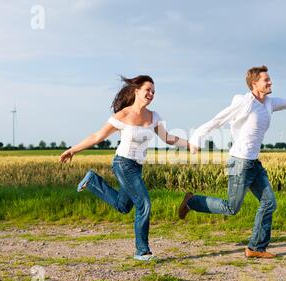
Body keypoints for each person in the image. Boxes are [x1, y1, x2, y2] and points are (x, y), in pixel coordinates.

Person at [179, 65, 286, 258]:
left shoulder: (268, 103)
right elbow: (218, 120)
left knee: (269, 203)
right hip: (240, 163)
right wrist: (196, 138)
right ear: (254, 84)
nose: (270, 82)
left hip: (254, 163)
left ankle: (256, 248)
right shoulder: (245, 103)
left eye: (269, 79)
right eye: (266, 80)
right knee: (231, 208)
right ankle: (192, 201)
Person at [60, 75, 192, 261]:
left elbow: (168, 138)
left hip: (137, 167)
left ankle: (92, 181)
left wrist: (189, 144)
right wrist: (73, 150)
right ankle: (142, 251)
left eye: (154, 91)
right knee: (144, 203)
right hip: (123, 163)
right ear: (136, 91)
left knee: (123, 206)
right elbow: (98, 136)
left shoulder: (154, 117)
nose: (151, 94)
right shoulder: (122, 116)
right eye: (148, 90)